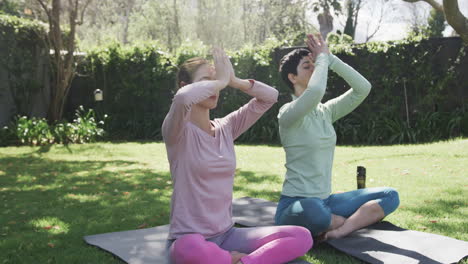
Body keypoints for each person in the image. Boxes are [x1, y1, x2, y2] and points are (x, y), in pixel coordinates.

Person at [162, 47, 312, 264]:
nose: (215, 87)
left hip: (228, 234)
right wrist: (221, 81)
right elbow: (182, 99)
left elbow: (270, 97)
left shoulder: (227, 127)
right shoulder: (177, 131)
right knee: (187, 249)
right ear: (186, 85)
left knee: (301, 236)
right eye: (206, 80)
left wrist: (234, 80)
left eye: (216, 81)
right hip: (190, 238)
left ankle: (240, 262)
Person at [274, 34, 400, 240]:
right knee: (314, 212)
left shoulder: (326, 111)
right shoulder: (288, 113)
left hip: (327, 201)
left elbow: (363, 88)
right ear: (292, 77)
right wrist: (322, 58)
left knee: (390, 196)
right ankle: (349, 221)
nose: (315, 68)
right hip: (296, 204)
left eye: (315, 64)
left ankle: (340, 229)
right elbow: (315, 91)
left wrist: (330, 59)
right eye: (307, 66)